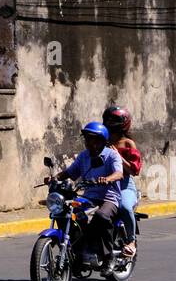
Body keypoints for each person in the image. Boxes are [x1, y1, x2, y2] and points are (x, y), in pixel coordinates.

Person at [44, 121, 125, 267]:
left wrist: (107, 179)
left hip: (109, 198)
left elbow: (119, 174)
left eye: (91, 138)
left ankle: (108, 256)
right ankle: (79, 250)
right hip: (89, 196)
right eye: (86, 138)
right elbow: (69, 173)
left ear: (101, 140)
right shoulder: (84, 156)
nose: (88, 141)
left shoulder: (112, 155)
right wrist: (54, 178)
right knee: (68, 212)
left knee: (102, 216)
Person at [103, 105, 142, 257]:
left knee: (125, 207)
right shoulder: (101, 141)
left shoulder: (127, 144)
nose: (110, 125)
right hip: (104, 184)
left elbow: (134, 170)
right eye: (108, 121)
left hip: (124, 185)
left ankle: (131, 241)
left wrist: (117, 156)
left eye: (114, 122)